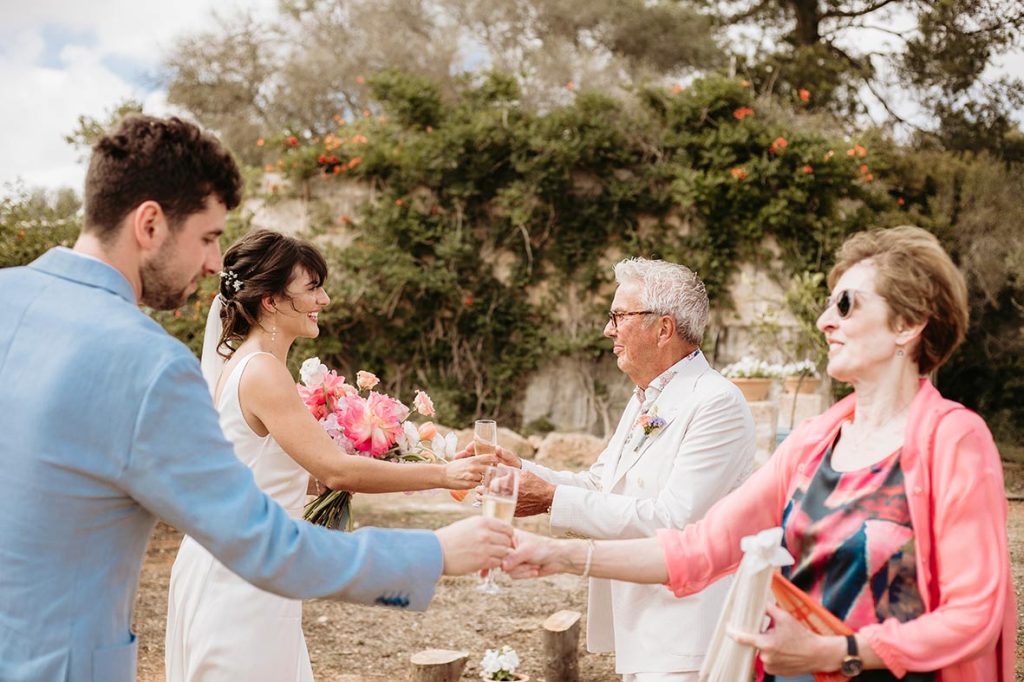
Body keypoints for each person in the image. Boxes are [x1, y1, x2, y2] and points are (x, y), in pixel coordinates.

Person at [0, 115, 512, 682]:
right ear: (149, 223)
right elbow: (260, 541)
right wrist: (433, 553)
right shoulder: (147, 362)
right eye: (208, 237)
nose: (216, 265)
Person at [503, 226, 1015, 682]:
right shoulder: (814, 441)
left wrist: (837, 652)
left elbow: (975, 613)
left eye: (845, 305)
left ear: (907, 325)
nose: (823, 321)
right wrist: (558, 555)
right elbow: (699, 546)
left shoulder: (955, 440)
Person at [165, 229, 498, 681]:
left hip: (240, 565)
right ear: (271, 302)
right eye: (312, 288)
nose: (325, 299)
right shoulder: (263, 371)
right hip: (241, 580)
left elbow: (265, 470)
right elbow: (336, 470)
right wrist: (444, 475)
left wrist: (387, 458)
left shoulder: (243, 364)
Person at [466, 258, 757, 681]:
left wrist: (550, 499)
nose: (609, 329)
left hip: (688, 632)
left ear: (664, 328)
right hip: (644, 627)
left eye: (619, 316)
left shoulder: (716, 402)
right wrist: (521, 470)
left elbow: (674, 522)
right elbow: (600, 484)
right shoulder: (647, 398)